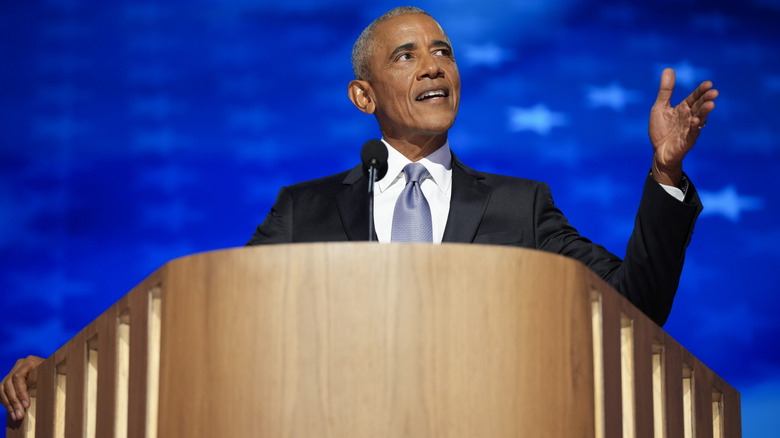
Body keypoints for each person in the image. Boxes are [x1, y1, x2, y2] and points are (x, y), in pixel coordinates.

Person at [2, 6, 717, 423]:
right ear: (363, 96)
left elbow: (637, 305)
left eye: (443, 51)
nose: (434, 65)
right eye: (407, 56)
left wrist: (664, 173)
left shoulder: (520, 207)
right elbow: (203, 318)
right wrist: (66, 373)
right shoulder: (303, 210)